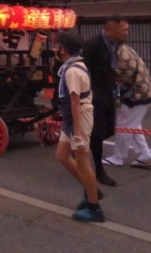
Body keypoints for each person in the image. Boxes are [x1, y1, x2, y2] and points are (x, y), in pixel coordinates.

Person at [53, 32, 105, 223]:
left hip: (79, 118)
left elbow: (75, 103)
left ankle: (94, 208)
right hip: (73, 118)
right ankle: (91, 189)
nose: (54, 50)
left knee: (83, 162)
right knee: (62, 156)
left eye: (56, 47)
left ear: (63, 50)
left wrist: (77, 134)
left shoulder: (73, 71)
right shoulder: (72, 66)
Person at [82, 15, 129, 187]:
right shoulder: (93, 45)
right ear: (110, 29)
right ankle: (99, 171)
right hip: (94, 95)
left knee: (109, 129)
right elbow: (82, 69)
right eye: (123, 29)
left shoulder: (115, 44)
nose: (126, 32)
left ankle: (78, 149)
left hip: (108, 92)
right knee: (98, 134)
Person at [104, 43, 151, 168]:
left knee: (124, 124)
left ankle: (118, 157)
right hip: (144, 91)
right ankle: (145, 154)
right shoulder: (125, 49)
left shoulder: (119, 54)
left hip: (136, 94)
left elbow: (117, 74)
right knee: (133, 124)